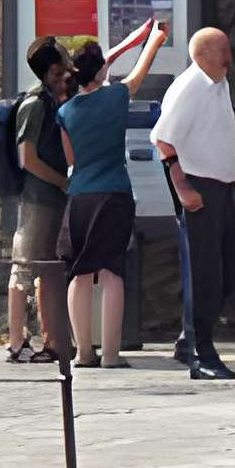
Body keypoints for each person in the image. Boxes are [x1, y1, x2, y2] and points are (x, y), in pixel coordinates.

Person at [56, 19, 166, 370]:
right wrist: (154, 41)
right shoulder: (116, 97)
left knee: (80, 274)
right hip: (114, 193)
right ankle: (113, 355)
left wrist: (127, 43)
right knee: (112, 274)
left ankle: (84, 352)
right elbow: (139, 72)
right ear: (101, 69)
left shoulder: (65, 111)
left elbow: (69, 158)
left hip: (80, 198)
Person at [153, 25, 235, 381]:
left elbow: (215, 137)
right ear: (202, 55)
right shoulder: (190, 88)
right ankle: (200, 353)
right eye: (223, 50)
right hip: (198, 190)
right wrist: (182, 187)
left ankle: (186, 339)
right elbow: (163, 139)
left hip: (221, 189)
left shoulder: (218, 83)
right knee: (204, 275)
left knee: (231, 271)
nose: (230, 56)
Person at [3, 36, 74, 366]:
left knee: (44, 267)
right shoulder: (34, 105)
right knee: (23, 268)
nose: (64, 77)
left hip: (52, 198)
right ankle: (16, 341)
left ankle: (49, 339)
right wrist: (62, 181)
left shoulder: (50, 101)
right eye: (58, 71)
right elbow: (27, 158)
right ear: (46, 71)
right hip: (37, 199)